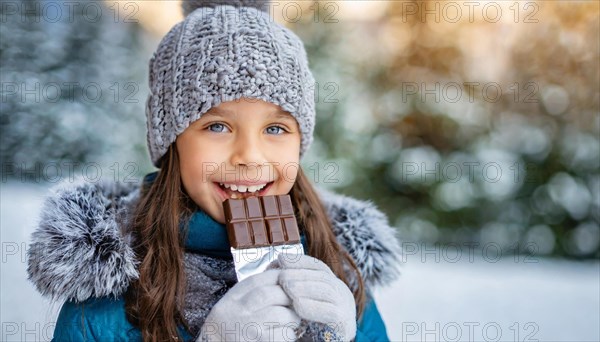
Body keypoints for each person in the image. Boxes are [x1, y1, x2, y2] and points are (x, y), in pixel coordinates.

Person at [27, 1, 401, 341]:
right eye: (217, 126)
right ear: (172, 143)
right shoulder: (101, 305)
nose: (250, 156)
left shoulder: (341, 275)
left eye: (275, 128)